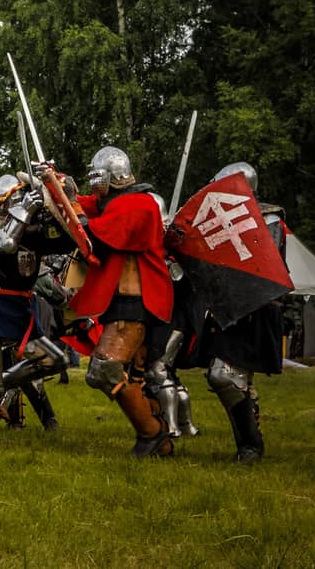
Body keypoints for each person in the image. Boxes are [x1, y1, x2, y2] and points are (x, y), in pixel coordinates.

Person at [0, 173, 75, 445]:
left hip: (20, 309)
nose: (24, 199)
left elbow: (68, 240)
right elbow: (5, 246)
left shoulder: (32, 231)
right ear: (6, 202)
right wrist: (26, 211)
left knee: (56, 360)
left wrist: (57, 201)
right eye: (19, 196)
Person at [177, 162, 286, 463]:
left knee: (224, 376)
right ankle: (250, 441)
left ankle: (250, 446)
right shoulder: (216, 220)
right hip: (229, 307)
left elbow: (261, 267)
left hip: (254, 309)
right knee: (231, 377)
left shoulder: (269, 221)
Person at [70, 146, 176, 457]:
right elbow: (78, 204)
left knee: (105, 370)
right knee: (135, 377)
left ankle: (152, 434)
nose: (94, 186)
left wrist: (74, 210)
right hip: (123, 302)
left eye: (97, 178)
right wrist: (57, 183)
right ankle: (159, 438)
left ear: (112, 177)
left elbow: (94, 233)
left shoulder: (138, 204)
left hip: (137, 302)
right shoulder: (113, 203)